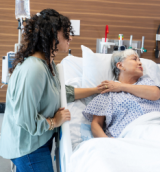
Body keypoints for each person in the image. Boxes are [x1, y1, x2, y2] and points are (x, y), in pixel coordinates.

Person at [0, 9, 102, 172]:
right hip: (28, 147)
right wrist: (55, 121)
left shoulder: (49, 64)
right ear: (53, 34)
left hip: (39, 139)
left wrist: (96, 89)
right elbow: (26, 120)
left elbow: (62, 92)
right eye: (67, 33)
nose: (71, 37)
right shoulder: (34, 69)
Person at [82, 49, 160, 138]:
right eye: (134, 59)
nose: (140, 63)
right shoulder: (108, 93)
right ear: (120, 65)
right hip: (131, 134)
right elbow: (96, 124)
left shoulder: (147, 82)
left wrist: (120, 86)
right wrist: (108, 143)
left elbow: (156, 94)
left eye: (139, 60)